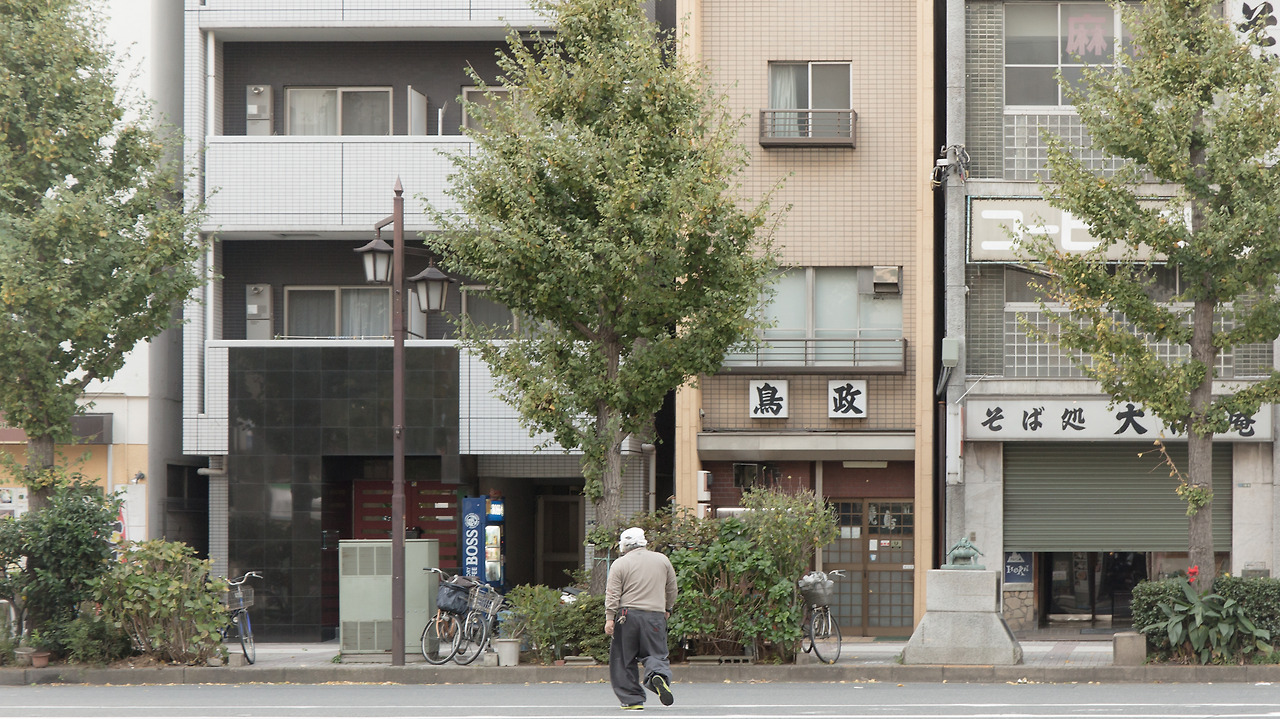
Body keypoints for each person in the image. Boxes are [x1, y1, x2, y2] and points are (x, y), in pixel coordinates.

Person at [604, 527, 677, 710]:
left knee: (623, 658)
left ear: (624, 545)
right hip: (655, 615)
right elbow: (672, 589)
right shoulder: (662, 560)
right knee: (655, 653)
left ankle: (632, 700)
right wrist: (667, 608)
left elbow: (612, 593)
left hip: (627, 616)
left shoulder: (620, 564)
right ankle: (657, 676)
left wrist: (610, 617)